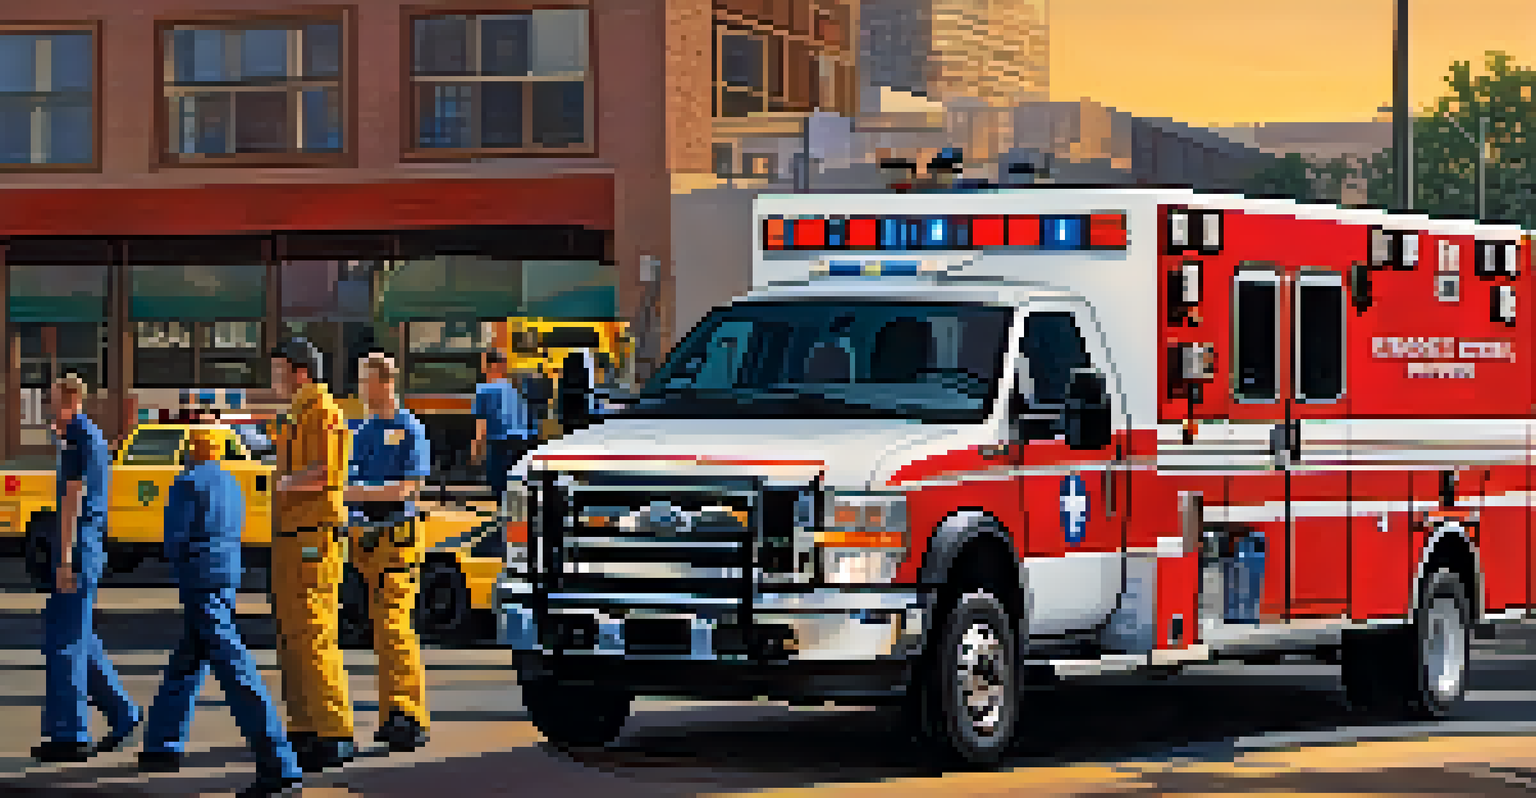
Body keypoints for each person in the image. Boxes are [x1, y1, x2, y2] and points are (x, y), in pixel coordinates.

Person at [139, 428, 304, 798]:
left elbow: (175, 537)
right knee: (187, 661)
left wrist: (177, 566)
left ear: (191, 452)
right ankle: (161, 744)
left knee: (236, 670)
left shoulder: (186, 483)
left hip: (199, 578)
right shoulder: (231, 482)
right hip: (226, 575)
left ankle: (278, 762)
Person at [33, 374, 141, 763]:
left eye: (52, 400)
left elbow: (72, 502)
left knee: (64, 642)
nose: (48, 407)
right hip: (89, 546)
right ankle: (122, 712)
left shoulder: (79, 439)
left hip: (77, 547)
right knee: (79, 636)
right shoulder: (86, 436)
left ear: (70, 400)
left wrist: (64, 558)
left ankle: (71, 733)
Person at [268, 338, 356, 772]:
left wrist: (284, 483)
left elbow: (327, 472)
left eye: (278, 370)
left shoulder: (323, 412)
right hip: (292, 537)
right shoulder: (296, 414)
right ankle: (305, 726)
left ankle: (335, 731)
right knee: (292, 636)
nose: (274, 380)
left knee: (314, 633)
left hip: (312, 538)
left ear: (300, 371)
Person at [344, 353, 432, 753]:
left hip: (397, 536)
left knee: (395, 627)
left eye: (366, 381)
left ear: (385, 382)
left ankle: (409, 715)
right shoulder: (363, 431)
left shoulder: (408, 428)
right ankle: (391, 715)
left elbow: (408, 488)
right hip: (366, 538)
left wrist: (360, 493)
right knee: (381, 631)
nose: (361, 389)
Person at [471, 350, 535, 511]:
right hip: (521, 439)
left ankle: (504, 513)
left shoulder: (484, 390)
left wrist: (476, 448)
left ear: (491, 366)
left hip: (499, 441)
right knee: (516, 479)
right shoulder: (516, 390)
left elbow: (482, 424)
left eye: (484, 364)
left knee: (497, 479)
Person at [556, 348, 597, 435]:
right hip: (578, 410)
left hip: (570, 410)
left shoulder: (565, 373)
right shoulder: (583, 372)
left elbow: (561, 394)